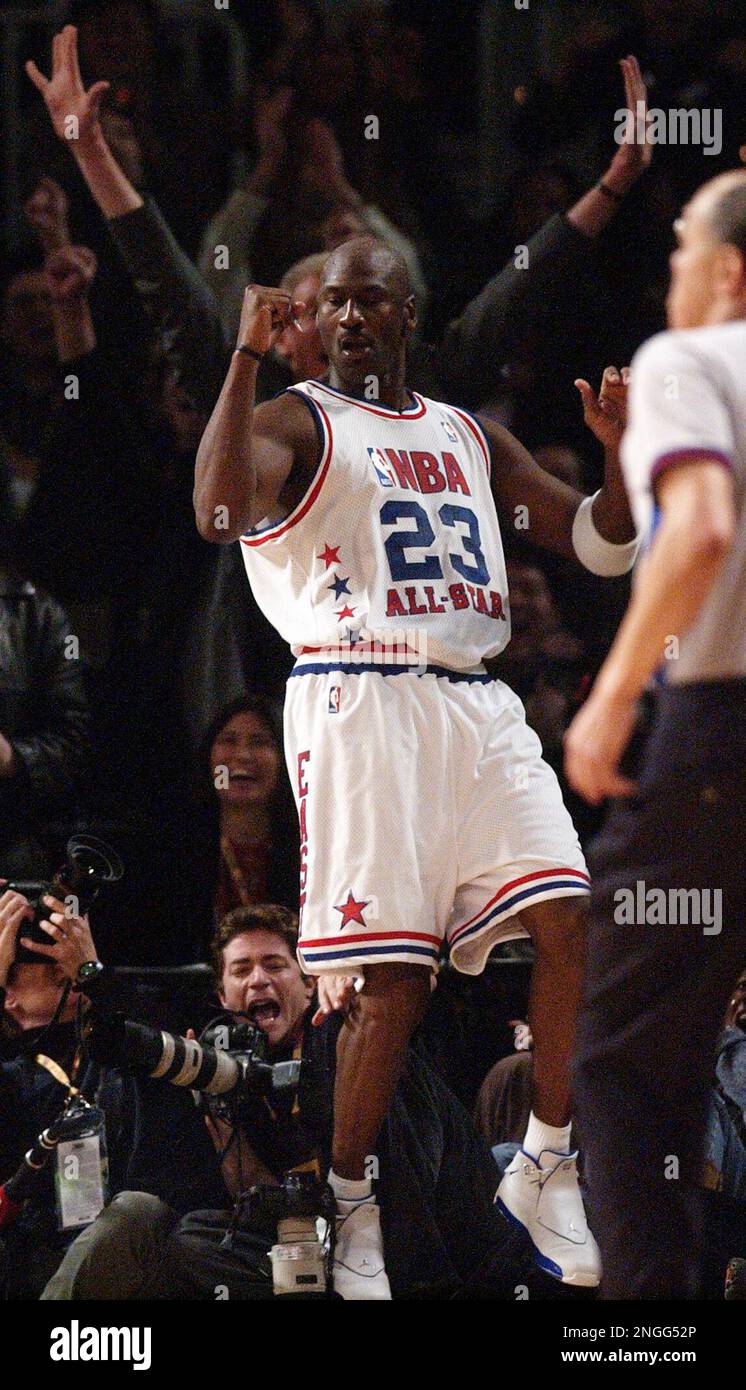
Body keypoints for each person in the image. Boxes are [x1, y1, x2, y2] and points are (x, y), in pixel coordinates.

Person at [194, 229, 639, 1296]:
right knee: (390, 984)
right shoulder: (290, 419)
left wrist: (621, 454)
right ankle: (347, 1202)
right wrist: (243, 358)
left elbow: (596, 543)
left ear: (405, 314)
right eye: (330, 302)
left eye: (367, 301)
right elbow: (215, 511)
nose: (347, 317)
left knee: (572, 914)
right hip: (357, 695)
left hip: (475, 699)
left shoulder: (467, 435)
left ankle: (543, 1161)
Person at [565, 169, 746, 1298]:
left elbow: (698, 532)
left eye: (681, 244)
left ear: (727, 271)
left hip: (720, 730)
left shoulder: (693, 357)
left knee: (625, 1070)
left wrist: (613, 693)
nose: (668, 266)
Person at [41, 904, 527, 1301]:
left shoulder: (346, 1025)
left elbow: (417, 990)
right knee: (192, 1240)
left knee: (344, 1036)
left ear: (310, 981)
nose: (258, 981)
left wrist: (357, 980)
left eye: (275, 965)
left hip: (428, 1231)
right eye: (241, 970)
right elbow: (278, 1207)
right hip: (330, 1247)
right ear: (223, 992)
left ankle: (418, 1278)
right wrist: (229, 1128)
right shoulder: (231, 1072)